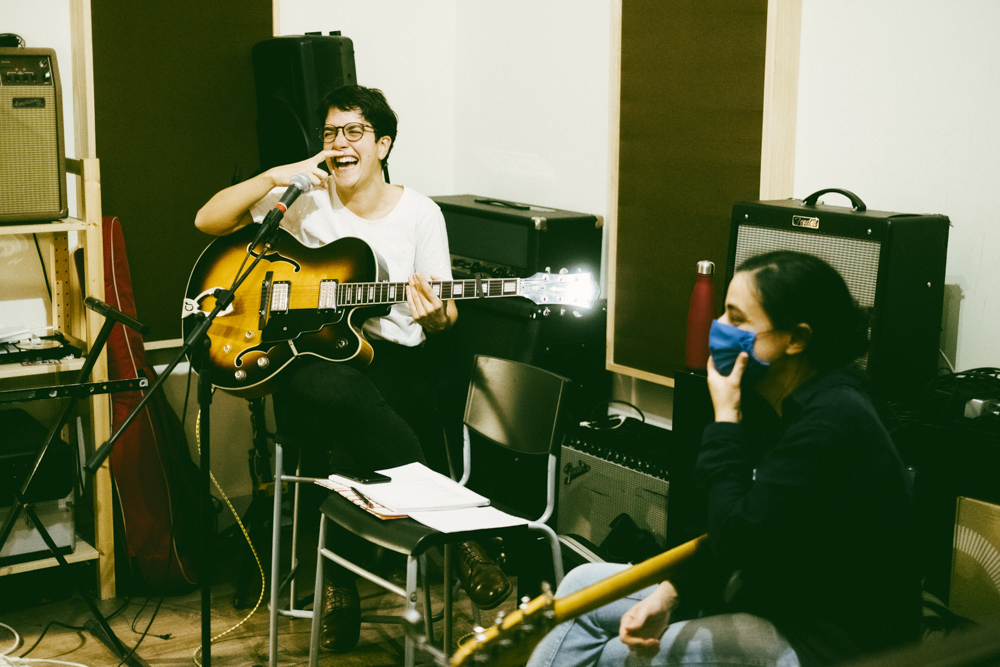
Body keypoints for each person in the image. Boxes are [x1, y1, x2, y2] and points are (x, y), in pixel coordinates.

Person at [194, 84, 510, 652]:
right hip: (304, 361)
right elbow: (207, 220)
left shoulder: (421, 213)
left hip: (391, 364)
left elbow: (445, 314)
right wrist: (275, 177)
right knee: (338, 393)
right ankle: (459, 537)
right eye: (330, 133)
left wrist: (437, 316)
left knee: (350, 420)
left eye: (354, 132)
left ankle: (337, 586)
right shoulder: (305, 199)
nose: (340, 143)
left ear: (382, 145)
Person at [526, 251, 922, 667]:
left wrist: (726, 417)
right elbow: (724, 525)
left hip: (829, 640)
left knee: (617, 656)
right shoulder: (774, 396)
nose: (718, 327)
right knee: (580, 587)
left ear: (796, 339)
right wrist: (672, 592)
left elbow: (738, 538)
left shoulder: (832, 420)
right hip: (772, 593)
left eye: (736, 318)